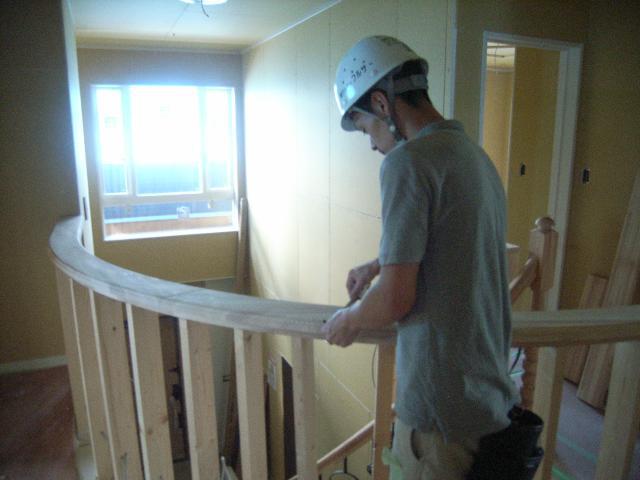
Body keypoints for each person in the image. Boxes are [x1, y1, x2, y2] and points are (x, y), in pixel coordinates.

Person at [321, 36, 520, 480]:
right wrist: (378, 263)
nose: (372, 145)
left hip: (439, 412)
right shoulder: (474, 157)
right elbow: (453, 241)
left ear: (382, 103)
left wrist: (348, 319)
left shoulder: (406, 163)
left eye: (366, 129)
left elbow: (395, 299)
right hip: (486, 395)